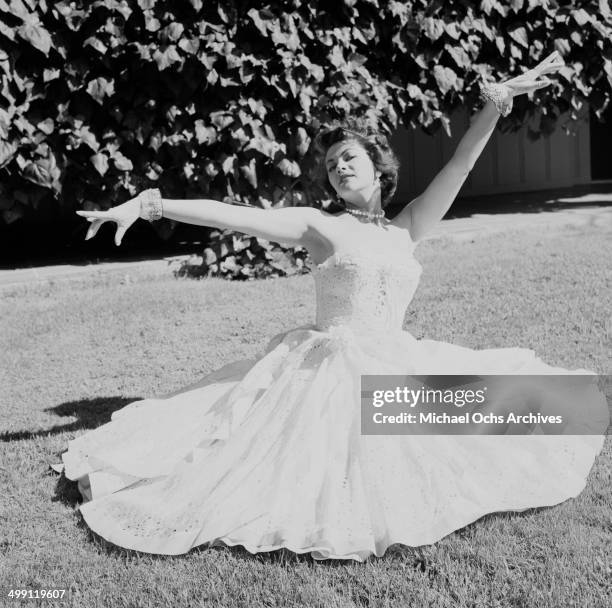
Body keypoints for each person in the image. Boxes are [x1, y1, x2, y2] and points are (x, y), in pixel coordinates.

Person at [52, 51, 608, 561]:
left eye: (350, 158)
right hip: (326, 367)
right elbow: (232, 213)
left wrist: (493, 104)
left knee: (540, 406)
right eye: (333, 164)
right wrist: (151, 204)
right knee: (276, 462)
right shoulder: (320, 225)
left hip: (392, 361)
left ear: (378, 167)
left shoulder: (408, 226)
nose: (339, 167)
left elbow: (460, 166)